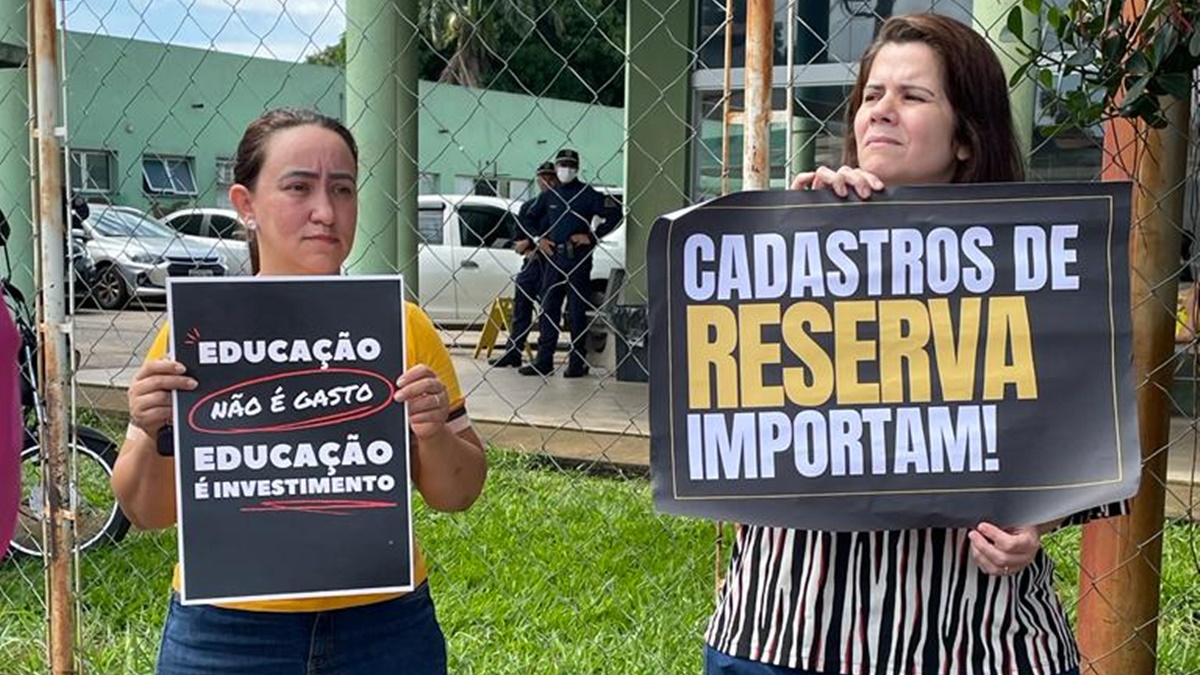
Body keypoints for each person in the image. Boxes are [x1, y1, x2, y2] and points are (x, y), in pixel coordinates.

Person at [703, 15, 1124, 675]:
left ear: (966, 139)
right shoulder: (791, 244)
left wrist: (1032, 524)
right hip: (790, 628)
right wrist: (795, 246)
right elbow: (736, 416)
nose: (881, 111)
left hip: (971, 637)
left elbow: (1075, 441)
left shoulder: (1034, 267)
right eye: (872, 94)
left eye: (913, 96)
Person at [111, 107, 488, 675]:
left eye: (342, 189)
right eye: (298, 187)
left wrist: (433, 434)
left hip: (384, 625)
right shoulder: (193, 335)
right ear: (245, 205)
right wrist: (148, 429)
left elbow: (458, 493)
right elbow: (145, 511)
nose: (326, 212)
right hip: (225, 630)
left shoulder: (402, 326)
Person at [517, 148, 622, 378]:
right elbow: (527, 218)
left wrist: (592, 236)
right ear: (556, 167)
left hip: (578, 259)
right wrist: (538, 239)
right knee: (549, 309)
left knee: (576, 312)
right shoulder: (550, 196)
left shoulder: (587, 194)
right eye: (562, 164)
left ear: (577, 168)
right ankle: (544, 361)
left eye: (571, 165)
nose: (566, 169)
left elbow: (616, 213)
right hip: (554, 258)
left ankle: (577, 362)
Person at [489, 161, 558, 368]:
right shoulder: (529, 207)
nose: (547, 183)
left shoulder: (560, 206)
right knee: (521, 309)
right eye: (543, 179)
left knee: (548, 311)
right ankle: (513, 351)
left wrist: (534, 242)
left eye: (551, 178)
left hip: (552, 264)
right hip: (532, 264)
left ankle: (544, 357)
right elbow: (518, 243)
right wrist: (531, 244)